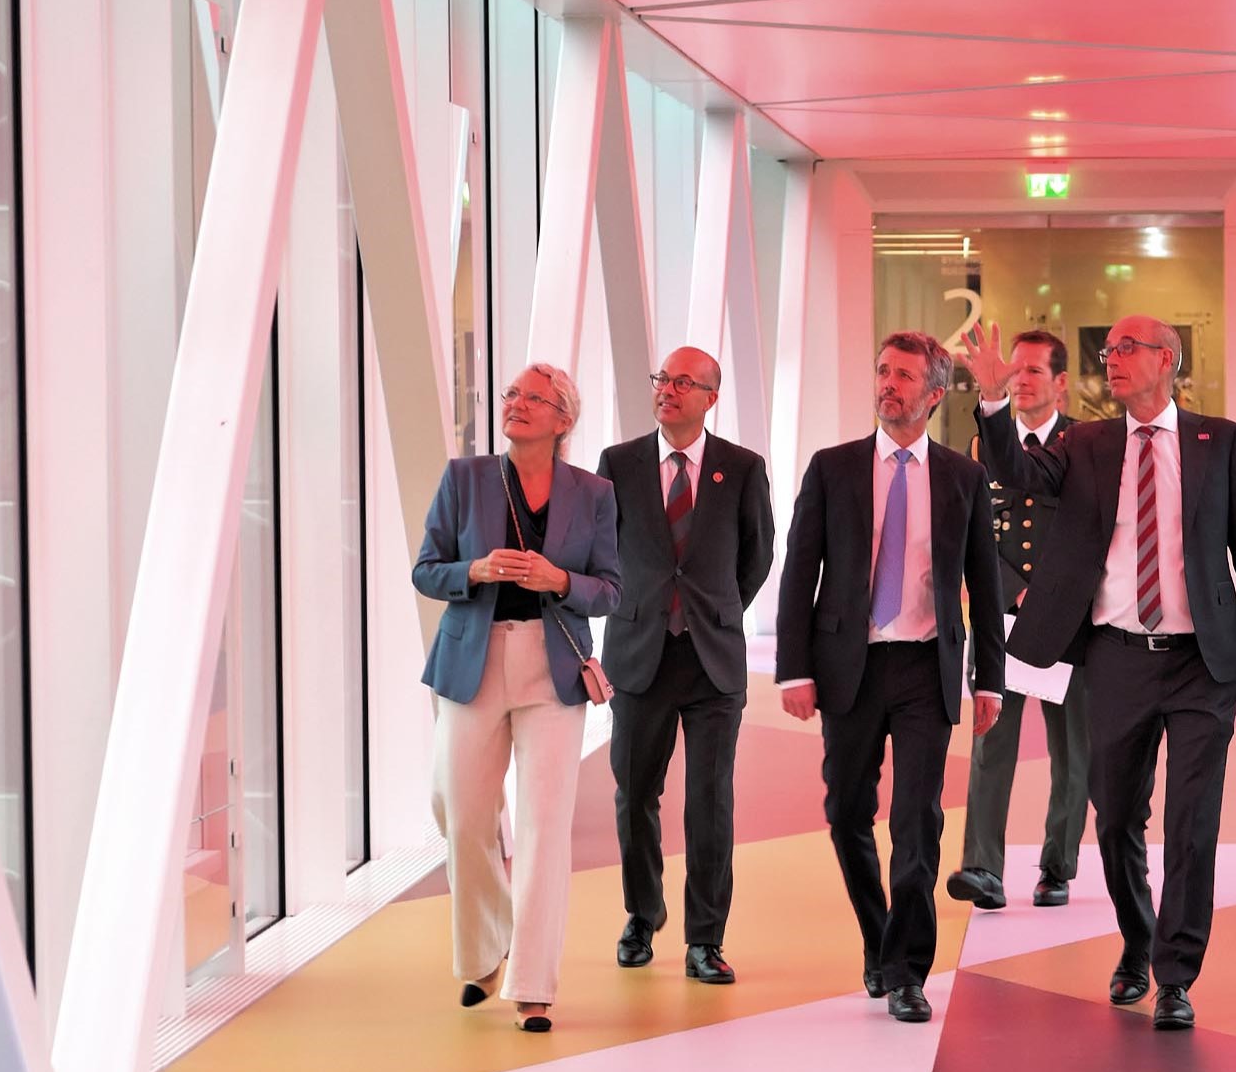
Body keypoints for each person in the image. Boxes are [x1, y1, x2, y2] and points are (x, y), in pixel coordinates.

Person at [960, 316, 1236, 1031]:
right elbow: (1016, 472)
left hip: (1202, 664)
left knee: (1192, 821)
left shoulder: (1219, 441)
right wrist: (992, 404)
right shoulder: (1086, 442)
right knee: (1114, 820)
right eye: (1106, 351)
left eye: (1126, 349)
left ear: (1166, 360)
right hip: (1115, 658)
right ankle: (1138, 938)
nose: (1110, 360)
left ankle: (1175, 975)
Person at [775, 330, 1006, 1024]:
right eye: (883, 372)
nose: (888, 385)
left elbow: (984, 584)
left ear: (934, 394)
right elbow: (798, 573)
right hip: (849, 665)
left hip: (925, 665)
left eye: (904, 376)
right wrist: (793, 668)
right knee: (847, 812)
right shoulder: (832, 467)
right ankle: (879, 939)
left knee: (917, 821)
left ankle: (908, 971)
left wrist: (988, 680)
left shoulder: (962, 478)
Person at [413, 363, 621, 1033]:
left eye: (535, 398)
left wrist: (559, 577)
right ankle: (483, 948)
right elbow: (426, 569)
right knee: (463, 813)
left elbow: (611, 590)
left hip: (552, 668)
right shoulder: (464, 479)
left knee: (543, 826)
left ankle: (534, 984)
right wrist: (472, 570)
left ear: (565, 419)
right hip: (473, 660)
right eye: (512, 394)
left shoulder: (593, 493)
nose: (517, 404)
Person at [596, 346, 774, 984]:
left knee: (709, 801)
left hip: (712, 661)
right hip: (639, 655)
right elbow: (604, 550)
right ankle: (642, 915)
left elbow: (757, 556)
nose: (668, 389)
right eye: (662, 379)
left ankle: (705, 938)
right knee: (635, 792)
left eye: (683, 382)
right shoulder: (617, 465)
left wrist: (712, 611)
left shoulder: (742, 468)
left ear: (710, 397)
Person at [945, 329, 1091, 913]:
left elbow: (1093, 534)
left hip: (1068, 623)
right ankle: (983, 867)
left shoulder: (1086, 445)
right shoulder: (984, 444)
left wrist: (1051, 592)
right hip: (1000, 619)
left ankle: (1057, 867)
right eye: (1015, 369)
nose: (1019, 378)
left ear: (1061, 383)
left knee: (1073, 750)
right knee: (989, 744)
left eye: (1033, 370)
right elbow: (972, 533)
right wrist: (1015, 589)